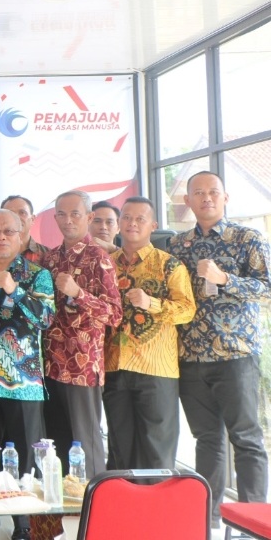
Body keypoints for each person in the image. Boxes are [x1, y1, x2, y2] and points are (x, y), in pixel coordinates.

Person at [169, 171, 271, 525]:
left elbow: (267, 288)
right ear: (188, 201)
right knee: (206, 440)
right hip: (190, 356)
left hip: (235, 355)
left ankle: (253, 523)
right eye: (198, 192)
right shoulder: (177, 245)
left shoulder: (246, 238)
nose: (206, 198)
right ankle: (208, 521)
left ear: (225, 197)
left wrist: (225, 279)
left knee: (246, 438)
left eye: (213, 192)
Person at [0, 209, 54, 540]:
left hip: (23, 384)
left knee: (24, 457)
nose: (1, 236)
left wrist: (15, 291)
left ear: (21, 236)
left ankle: (23, 524)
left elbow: (45, 319)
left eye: (8, 231)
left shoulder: (37, 275)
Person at [104, 197, 195, 471]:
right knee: (120, 450)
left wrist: (151, 303)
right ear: (119, 223)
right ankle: (123, 499)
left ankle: (157, 500)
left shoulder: (169, 265)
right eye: (126, 217)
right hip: (114, 364)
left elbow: (187, 310)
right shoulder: (106, 265)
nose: (132, 223)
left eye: (140, 219)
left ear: (153, 225)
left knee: (157, 450)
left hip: (156, 368)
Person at [41, 190, 122, 480]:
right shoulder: (50, 259)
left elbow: (114, 314)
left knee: (85, 445)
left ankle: (96, 504)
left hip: (82, 368)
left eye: (75, 214)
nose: (68, 220)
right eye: (62, 214)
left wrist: (79, 294)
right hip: (50, 364)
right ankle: (63, 506)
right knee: (56, 445)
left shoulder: (99, 258)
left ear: (88, 217)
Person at [0, 195, 49, 265]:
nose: (16, 218)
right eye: (10, 213)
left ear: (32, 219)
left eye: (22, 212)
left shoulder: (48, 256)